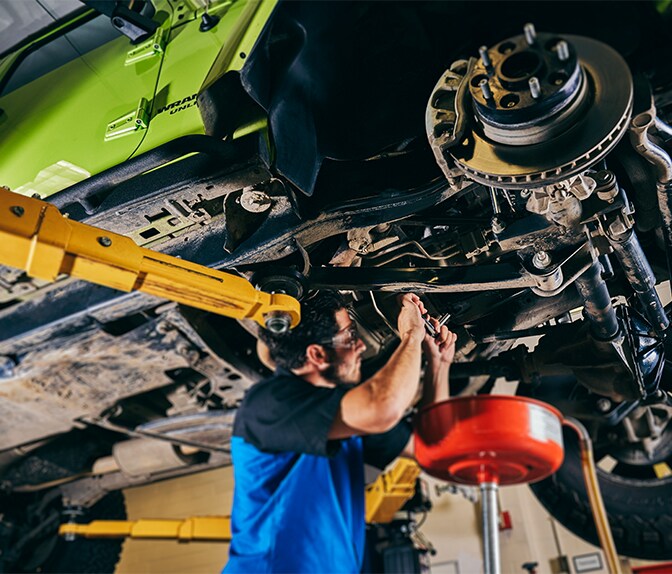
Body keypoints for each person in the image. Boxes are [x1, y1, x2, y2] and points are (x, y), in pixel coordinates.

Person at [224, 291, 457, 573]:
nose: (360, 345)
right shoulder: (267, 403)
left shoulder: (349, 419)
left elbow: (432, 449)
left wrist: (439, 363)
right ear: (317, 354)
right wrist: (411, 336)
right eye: (349, 336)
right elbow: (382, 406)